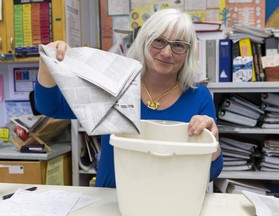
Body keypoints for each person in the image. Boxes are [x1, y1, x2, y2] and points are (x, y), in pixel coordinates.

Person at [35, 8, 223, 188]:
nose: (166, 52)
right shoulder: (116, 85)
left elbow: (211, 172)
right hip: (111, 200)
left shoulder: (199, 97)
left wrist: (212, 140)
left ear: (188, 53)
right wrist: (47, 63)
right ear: (144, 41)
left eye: (178, 46)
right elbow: (50, 106)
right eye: (158, 41)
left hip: (168, 202)